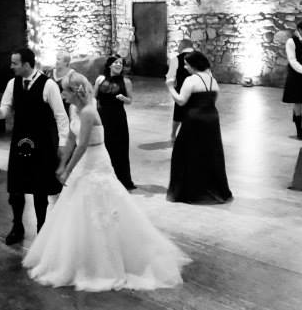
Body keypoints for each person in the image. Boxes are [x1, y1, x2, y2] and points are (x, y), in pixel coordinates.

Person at [23, 73, 190, 291]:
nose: (62, 94)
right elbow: (72, 140)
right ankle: (79, 254)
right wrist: (62, 163)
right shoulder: (74, 109)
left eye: (64, 90)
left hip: (95, 159)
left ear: (75, 92)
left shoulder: (89, 111)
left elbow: (82, 145)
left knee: (102, 203)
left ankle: (106, 261)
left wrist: (67, 170)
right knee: (76, 205)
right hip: (83, 161)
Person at [0, 48, 69, 245]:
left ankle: (42, 228)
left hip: (42, 142)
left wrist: (62, 143)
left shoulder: (48, 85)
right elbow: (6, 109)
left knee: (39, 189)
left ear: (26, 64)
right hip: (19, 141)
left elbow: (61, 116)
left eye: (14, 63)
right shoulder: (12, 83)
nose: (11, 66)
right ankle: (17, 226)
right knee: (16, 188)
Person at [166, 51, 233, 204]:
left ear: (193, 65)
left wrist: (170, 88)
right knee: (210, 153)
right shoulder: (212, 80)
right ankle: (213, 188)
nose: (185, 66)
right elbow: (214, 99)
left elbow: (181, 101)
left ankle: (191, 191)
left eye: (186, 64)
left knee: (186, 153)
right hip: (212, 119)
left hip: (194, 119)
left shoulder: (191, 80)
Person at [93, 55, 136, 190]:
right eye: (116, 63)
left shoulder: (126, 81)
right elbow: (94, 98)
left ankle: (121, 179)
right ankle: (102, 178)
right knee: (103, 146)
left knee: (119, 148)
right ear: (109, 65)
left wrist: (124, 98)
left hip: (118, 118)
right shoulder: (100, 79)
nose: (119, 65)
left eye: (121, 63)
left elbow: (130, 101)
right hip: (102, 116)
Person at [165, 39, 195, 142]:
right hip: (197, 91)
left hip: (181, 91)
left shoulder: (176, 59)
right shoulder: (200, 58)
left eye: (178, 46)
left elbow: (170, 77)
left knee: (178, 114)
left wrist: (171, 85)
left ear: (182, 46)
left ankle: (173, 135)